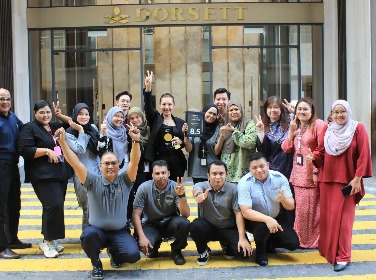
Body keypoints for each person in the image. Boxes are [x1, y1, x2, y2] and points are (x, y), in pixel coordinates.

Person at [55, 124, 141, 280]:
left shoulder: (125, 180)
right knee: (88, 237)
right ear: (100, 166)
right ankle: (96, 263)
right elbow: (75, 163)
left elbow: (134, 163)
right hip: (96, 230)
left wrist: (135, 142)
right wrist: (62, 143)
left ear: (118, 165)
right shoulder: (92, 180)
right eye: (106, 163)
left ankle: (115, 253)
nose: (110, 166)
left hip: (119, 230)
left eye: (113, 163)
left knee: (133, 255)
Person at [312, 100, 372, 272]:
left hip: (348, 181)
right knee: (328, 219)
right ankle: (329, 251)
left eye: (342, 111)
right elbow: (321, 151)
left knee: (344, 221)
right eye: (335, 112)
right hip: (327, 180)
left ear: (348, 112)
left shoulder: (357, 128)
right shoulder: (328, 129)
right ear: (331, 114)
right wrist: (313, 157)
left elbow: (364, 154)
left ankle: (343, 257)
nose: (339, 115)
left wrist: (357, 178)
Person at [18, 100, 71, 258]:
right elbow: (25, 150)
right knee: (53, 205)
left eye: (47, 112)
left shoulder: (54, 126)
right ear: (35, 114)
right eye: (41, 112)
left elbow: (71, 123)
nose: (45, 115)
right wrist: (47, 151)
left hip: (59, 173)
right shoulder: (29, 128)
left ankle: (51, 239)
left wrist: (60, 115)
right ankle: (47, 242)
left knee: (56, 206)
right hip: (42, 176)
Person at [238, 152, 299, 266]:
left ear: (268, 165)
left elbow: (290, 206)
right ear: (249, 169)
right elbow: (246, 212)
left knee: (293, 243)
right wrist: (267, 219)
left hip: (276, 217)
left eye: (262, 166)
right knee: (261, 227)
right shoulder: (244, 183)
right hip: (254, 220)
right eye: (254, 168)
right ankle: (261, 253)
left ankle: (269, 242)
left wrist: (283, 200)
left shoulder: (279, 178)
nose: (259, 170)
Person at [281, 97, 327, 249]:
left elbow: (322, 149)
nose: (302, 112)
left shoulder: (318, 125)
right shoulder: (296, 126)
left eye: (305, 109)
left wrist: (315, 170)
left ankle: (314, 240)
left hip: (312, 175)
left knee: (314, 211)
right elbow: (286, 148)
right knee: (301, 211)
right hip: (297, 175)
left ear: (312, 110)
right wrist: (291, 131)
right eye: (299, 109)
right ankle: (301, 239)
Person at [190, 160, 252, 266]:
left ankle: (226, 244)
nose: (218, 177)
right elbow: (196, 190)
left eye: (221, 174)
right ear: (208, 175)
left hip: (228, 227)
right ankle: (204, 251)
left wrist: (242, 238)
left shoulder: (233, 189)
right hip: (209, 227)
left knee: (245, 254)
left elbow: (238, 214)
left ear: (226, 175)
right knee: (194, 226)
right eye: (214, 174)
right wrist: (198, 196)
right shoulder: (202, 186)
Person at [133, 160, 190, 266]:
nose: (161, 176)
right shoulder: (144, 188)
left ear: (168, 173)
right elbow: (136, 215)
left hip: (170, 223)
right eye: (157, 173)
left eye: (164, 173)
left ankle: (176, 250)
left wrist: (181, 196)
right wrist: (142, 237)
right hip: (151, 225)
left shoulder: (175, 187)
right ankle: (155, 244)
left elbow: (186, 214)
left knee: (184, 223)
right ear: (152, 175)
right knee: (143, 248)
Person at [0, 88, 31, 259]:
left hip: (12, 166)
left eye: (7, 99)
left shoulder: (12, 117)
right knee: (1, 208)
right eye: (1, 99)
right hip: (1, 166)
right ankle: (1, 246)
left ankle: (12, 239)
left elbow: (26, 129)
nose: (5, 102)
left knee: (14, 205)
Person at [143, 71, 186, 181]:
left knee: (176, 189)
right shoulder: (155, 119)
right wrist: (148, 90)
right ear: (159, 105)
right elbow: (148, 107)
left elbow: (184, 141)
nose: (166, 107)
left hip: (177, 161)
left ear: (174, 106)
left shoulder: (180, 122)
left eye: (169, 104)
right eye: (164, 104)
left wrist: (181, 142)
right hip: (159, 161)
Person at [65, 103, 100, 229]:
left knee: (98, 205)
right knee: (87, 207)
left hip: (98, 172)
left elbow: (99, 146)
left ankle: (98, 234)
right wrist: (81, 131)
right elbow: (80, 149)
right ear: (75, 115)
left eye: (86, 114)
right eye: (80, 114)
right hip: (82, 174)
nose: (84, 117)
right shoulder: (69, 133)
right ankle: (87, 235)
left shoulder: (94, 128)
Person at [214, 102, 257, 183]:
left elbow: (250, 142)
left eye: (236, 109)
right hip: (227, 172)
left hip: (243, 170)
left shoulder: (248, 123)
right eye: (231, 110)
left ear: (241, 111)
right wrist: (222, 136)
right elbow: (216, 151)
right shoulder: (223, 125)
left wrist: (234, 131)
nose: (233, 112)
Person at [255, 96, 293, 179]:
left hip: (288, 166)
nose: (273, 110)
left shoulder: (289, 122)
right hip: (270, 168)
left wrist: (293, 113)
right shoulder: (262, 125)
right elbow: (263, 150)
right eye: (269, 107)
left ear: (281, 109)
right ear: (266, 110)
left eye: (276, 107)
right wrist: (261, 131)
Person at [126, 107, 152, 224]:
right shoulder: (128, 133)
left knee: (149, 193)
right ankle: (135, 219)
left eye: (137, 117)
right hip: (136, 168)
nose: (135, 120)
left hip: (150, 168)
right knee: (136, 194)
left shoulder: (150, 130)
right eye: (132, 118)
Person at [184, 104, 219, 184]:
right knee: (199, 194)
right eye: (209, 113)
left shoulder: (218, 130)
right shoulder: (194, 127)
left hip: (213, 169)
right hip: (197, 170)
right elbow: (189, 149)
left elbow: (216, 151)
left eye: (214, 114)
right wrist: (185, 134)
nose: (211, 116)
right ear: (204, 113)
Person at [98, 106, 128, 174]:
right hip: (108, 168)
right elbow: (101, 150)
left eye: (121, 117)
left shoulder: (123, 131)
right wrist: (103, 134)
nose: (119, 119)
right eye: (116, 116)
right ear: (110, 116)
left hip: (123, 167)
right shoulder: (105, 131)